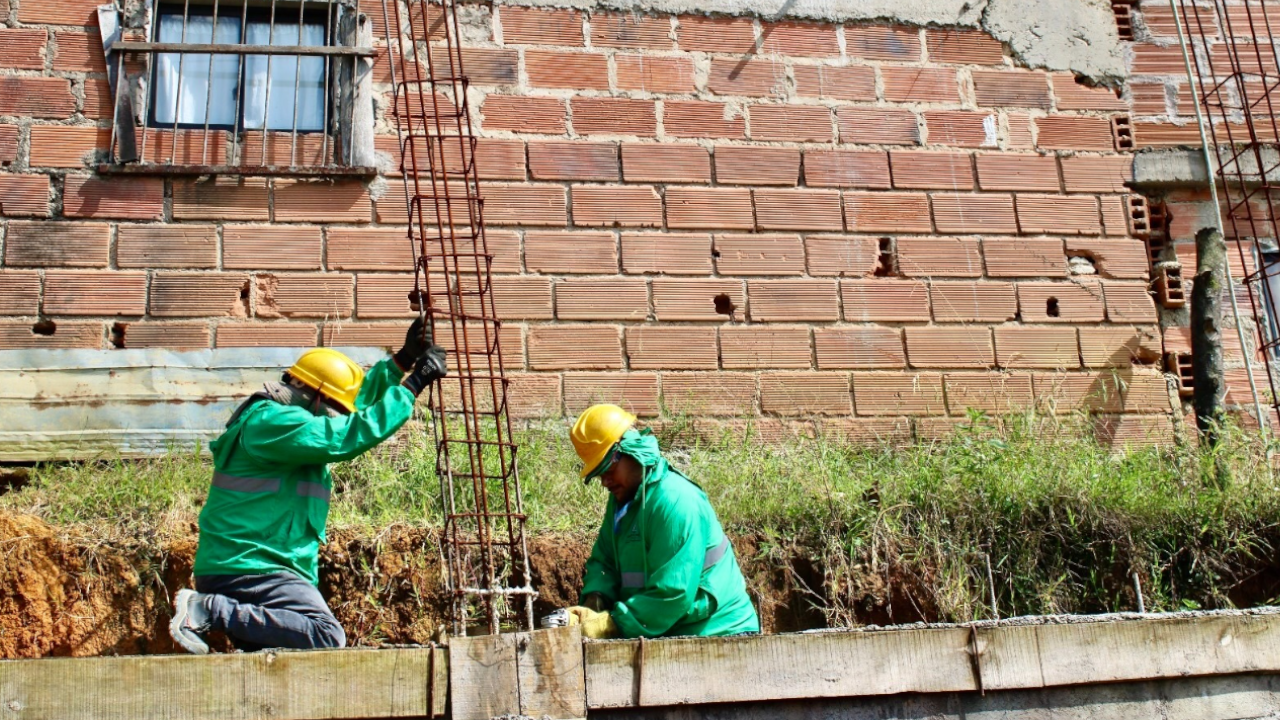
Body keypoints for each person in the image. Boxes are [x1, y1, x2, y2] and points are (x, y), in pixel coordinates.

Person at [168, 318, 447, 654]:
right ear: (314, 397)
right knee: (325, 634)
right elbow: (345, 432)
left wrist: (402, 361)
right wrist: (412, 386)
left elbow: (351, 405)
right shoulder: (273, 422)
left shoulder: (292, 417)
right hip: (251, 568)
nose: (334, 417)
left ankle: (214, 613)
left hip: (263, 566)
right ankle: (206, 610)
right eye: (330, 411)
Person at [564, 404, 760, 639]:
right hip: (666, 630)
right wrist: (596, 600)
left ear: (630, 450)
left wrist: (610, 624)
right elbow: (604, 561)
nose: (605, 481)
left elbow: (673, 593)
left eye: (608, 469)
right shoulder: (622, 502)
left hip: (720, 633)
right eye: (598, 473)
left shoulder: (676, 502)